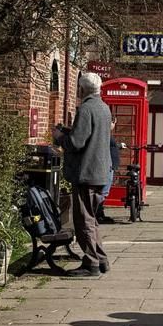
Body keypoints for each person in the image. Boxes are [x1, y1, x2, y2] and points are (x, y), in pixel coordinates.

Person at [53, 71, 113, 275]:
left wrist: (60, 137)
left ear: (82, 89)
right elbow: (91, 136)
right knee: (92, 219)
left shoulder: (86, 108)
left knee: (83, 220)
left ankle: (91, 263)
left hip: (86, 173)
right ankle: (101, 259)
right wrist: (70, 130)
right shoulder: (104, 108)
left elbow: (76, 143)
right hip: (100, 172)